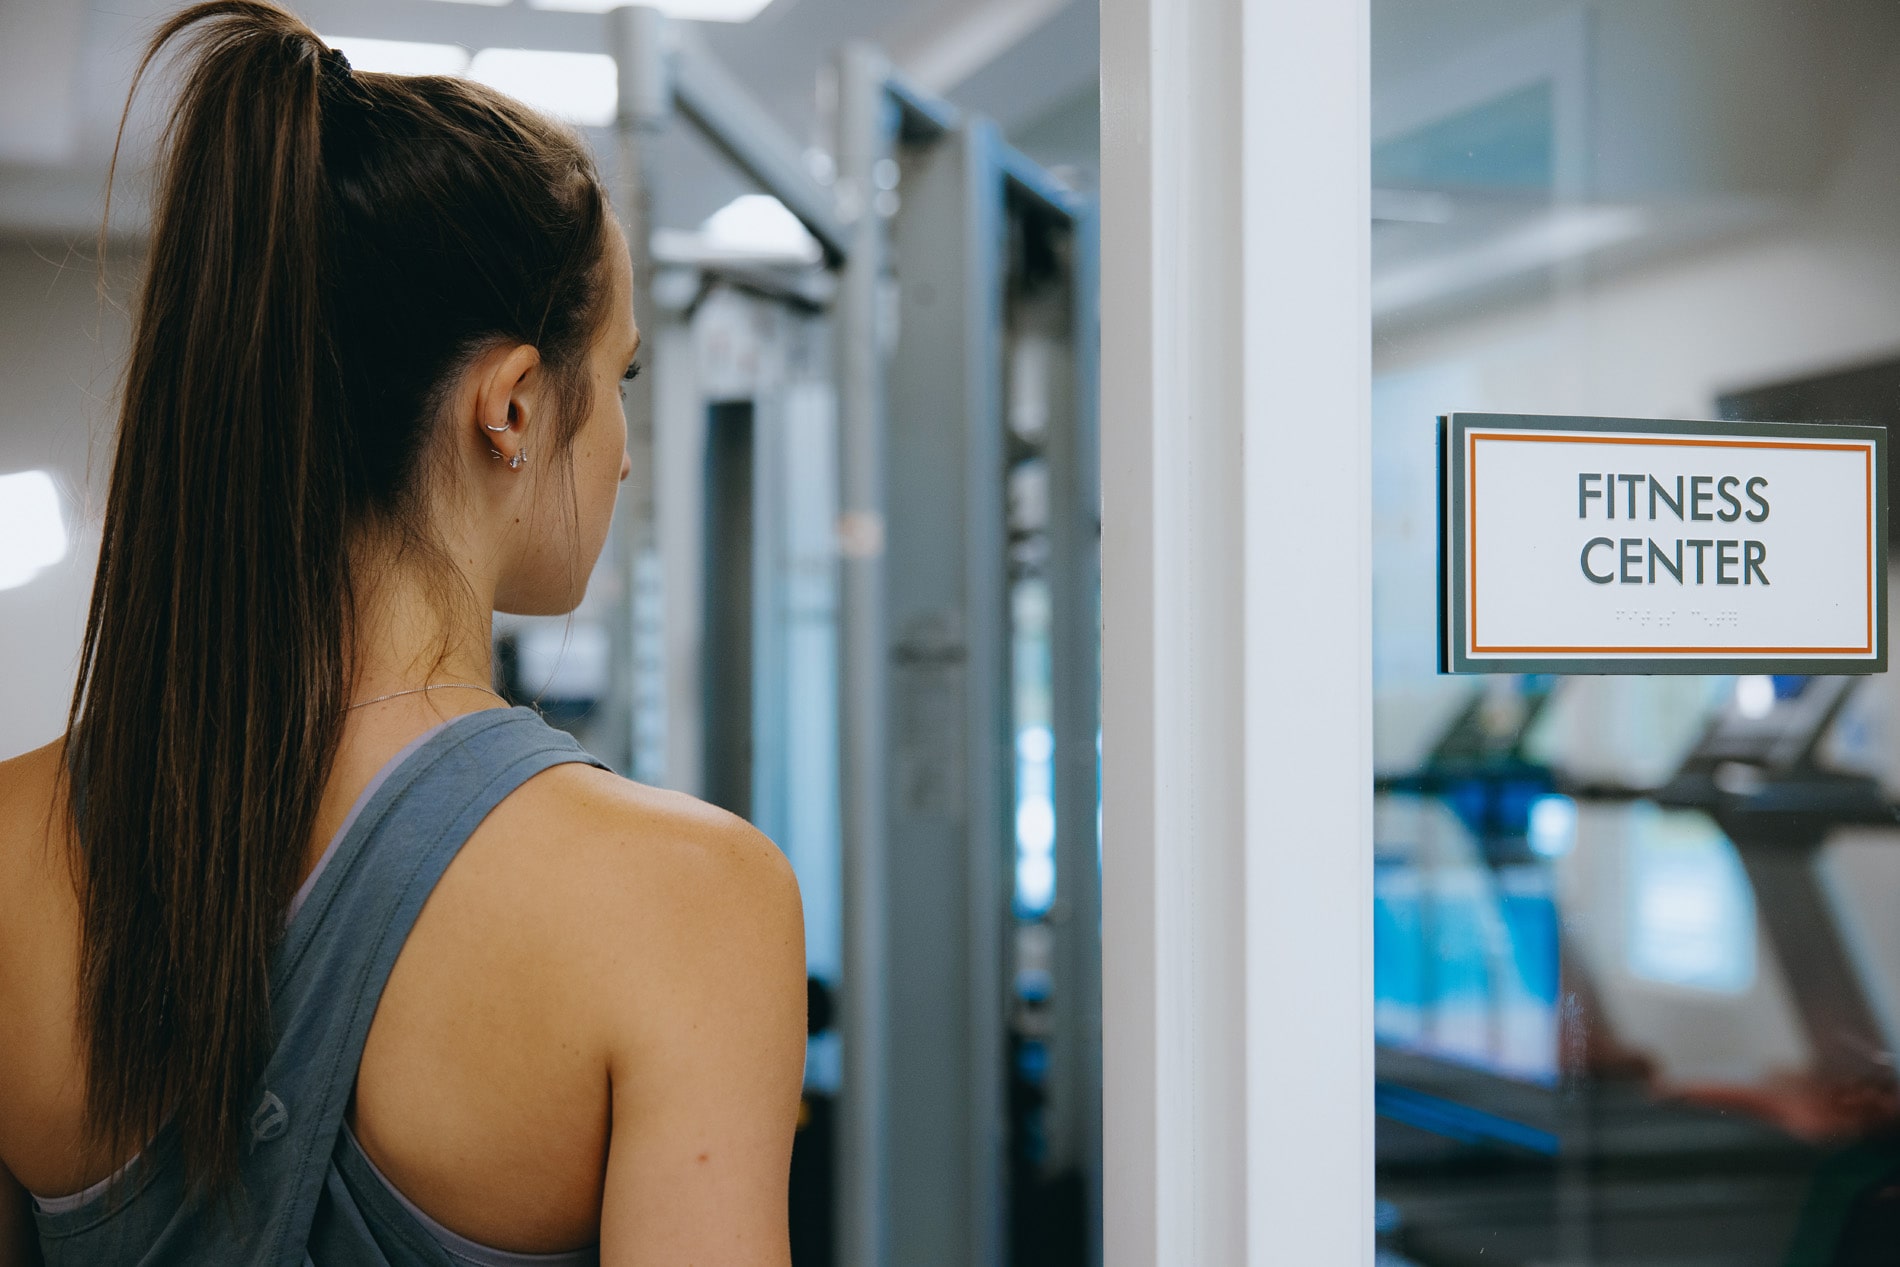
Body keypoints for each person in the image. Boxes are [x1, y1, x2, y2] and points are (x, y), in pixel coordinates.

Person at [0, 3, 806, 1263]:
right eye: (623, 379)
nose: (628, 452)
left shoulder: (8, 852)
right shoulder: (690, 902)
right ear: (513, 405)